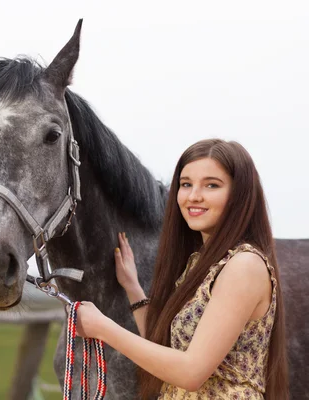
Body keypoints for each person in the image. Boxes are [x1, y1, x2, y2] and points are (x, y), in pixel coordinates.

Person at [74, 139, 289, 399]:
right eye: (186, 184)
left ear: (239, 195)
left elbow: (190, 373)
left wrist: (102, 327)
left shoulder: (243, 266)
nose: (194, 195)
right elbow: (164, 349)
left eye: (211, 185)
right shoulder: (201, 264)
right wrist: (133, 288)